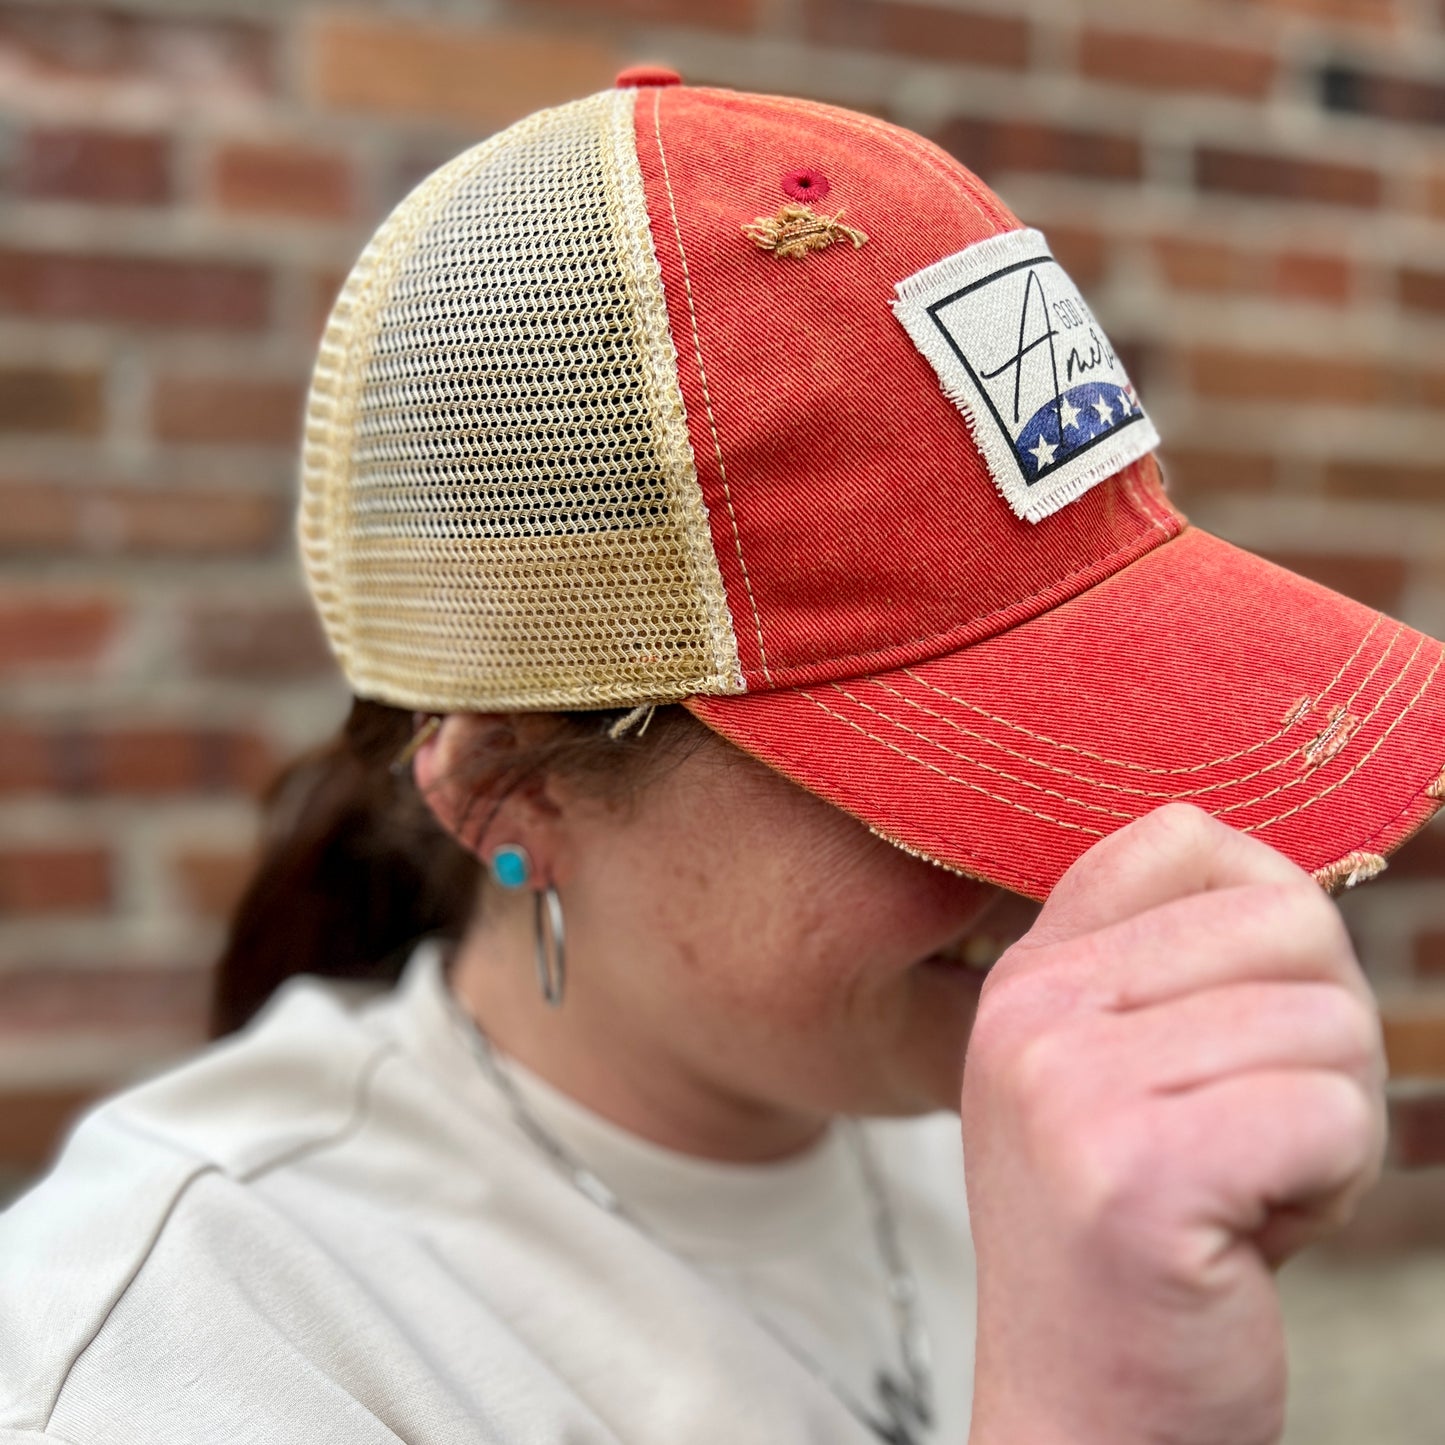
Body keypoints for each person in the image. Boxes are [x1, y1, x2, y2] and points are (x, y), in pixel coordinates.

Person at [2, 69, 1441, 1445]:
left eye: (1108, 700)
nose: (1096, 846)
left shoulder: (996, 1132)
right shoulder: (181, 1358)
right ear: (510, 793)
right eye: (954, 769)